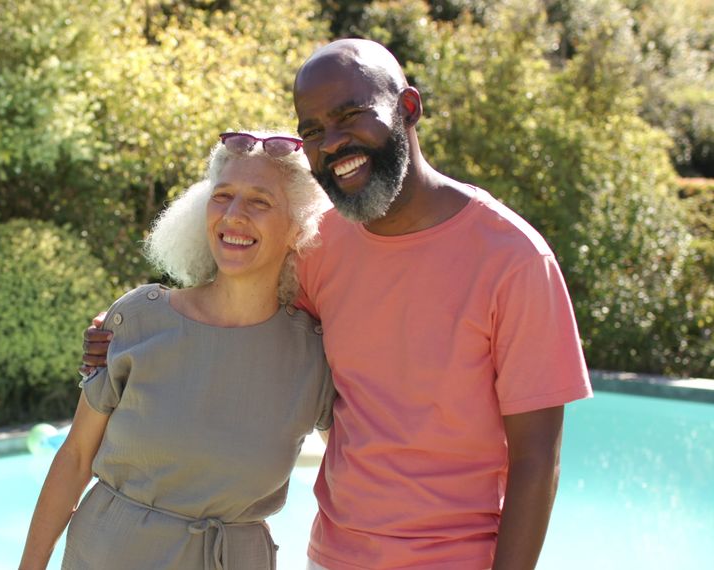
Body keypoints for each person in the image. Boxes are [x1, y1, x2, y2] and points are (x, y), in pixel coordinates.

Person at [83, 39, 593, 570]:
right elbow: (229, 314)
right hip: (332, 556)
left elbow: (537, 460)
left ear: (409, 108)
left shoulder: (514, 259)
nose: (333, 144)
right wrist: (124, 330)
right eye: (314, 131)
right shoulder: (318, 242)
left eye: (352, 116)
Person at [19, 131, 335, 570]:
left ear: (299, 226)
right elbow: (74, 458)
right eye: (222, 196)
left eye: (260, 201)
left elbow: (358, 476)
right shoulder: (138, 319)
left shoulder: (315, 356)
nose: (234, 215)